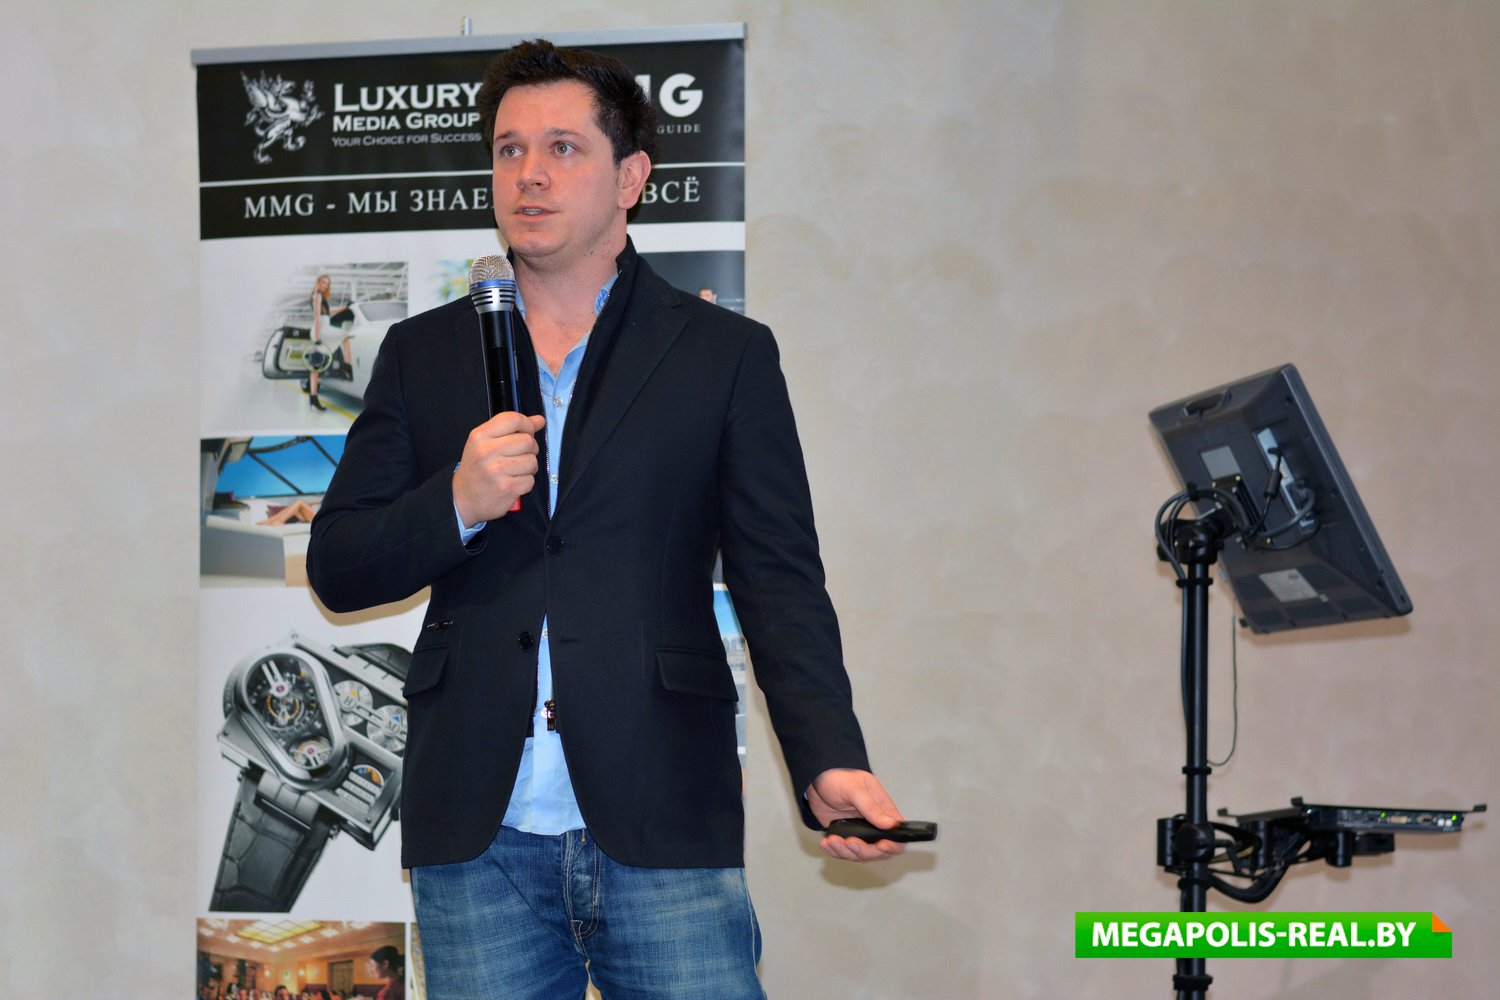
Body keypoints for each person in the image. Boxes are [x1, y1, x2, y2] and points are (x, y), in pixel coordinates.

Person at [307, 38, 906, 998]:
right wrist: (455, 503)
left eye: (563, 148)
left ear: (631, 177)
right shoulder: (424, 354)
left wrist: (828, 755)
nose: (529, 174)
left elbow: (778, 579)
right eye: (509, 150)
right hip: (478, 834)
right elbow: (338, 565)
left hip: (662, 813)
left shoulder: (722, 355)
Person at [306, 273, 353, 411]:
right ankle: (347, 368)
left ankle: (313, 398)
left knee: (316, 366)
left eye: (327, 284)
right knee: (346, 336)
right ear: (317, 282)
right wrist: (317, 338)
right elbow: (317, 317)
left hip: (322, 328)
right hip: (321, 329)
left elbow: (328, 311)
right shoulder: (317, 296)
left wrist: (344, 307)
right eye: (323, 283)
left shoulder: (319, 296)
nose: (324, 286)